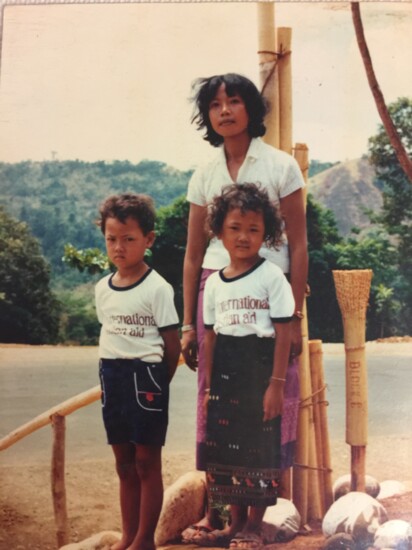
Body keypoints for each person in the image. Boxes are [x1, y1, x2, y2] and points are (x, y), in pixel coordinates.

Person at [181, 73, 308, 544]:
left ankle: (254, 522)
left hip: (270, 301)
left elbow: (298, 245)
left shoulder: (280, 166)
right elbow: (194, 254)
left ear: (252, 110)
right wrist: (191, 327)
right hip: (217, 296)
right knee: (217, 409)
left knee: (266, 408)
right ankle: (217, 517)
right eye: (216, 105)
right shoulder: (204, 174)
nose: (226, 111)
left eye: (235, 101)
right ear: (208, 116)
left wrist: (292, 320)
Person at [203, 182, 295, 549]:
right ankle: (234, 522)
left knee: (258, 448)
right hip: (227, 375)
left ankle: (254, 527)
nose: (243, 237)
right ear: (219, 232)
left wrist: (275, 385)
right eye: (235, 228)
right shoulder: (214, 284)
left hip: (260, 372)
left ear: (266, 233)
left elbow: (284, 332)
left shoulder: (271, 276)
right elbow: (211, 336)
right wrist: (211, 385)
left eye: (254, 229)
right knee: (229, 449)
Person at [95, 193, 181, 550]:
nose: (119, 247)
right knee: (123, 462)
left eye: (129, 239)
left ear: (149, 239)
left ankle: (145, 539)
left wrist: (160, 382)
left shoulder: (158, 288)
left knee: (147, 461)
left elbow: (171, 345)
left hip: (146, 377)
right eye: (112, 239)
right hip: (111, 377)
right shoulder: (103, 288)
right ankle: (128, 535)